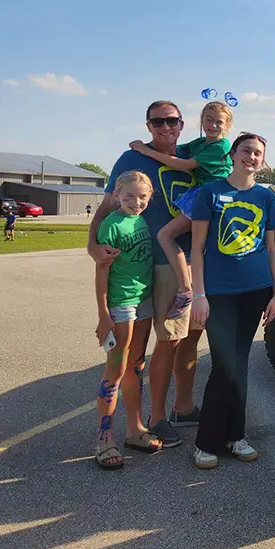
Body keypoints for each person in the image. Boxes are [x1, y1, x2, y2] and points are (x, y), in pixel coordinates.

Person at [88, 101, 200, 448]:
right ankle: (145, 422)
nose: (166, 127)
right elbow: (106, 207)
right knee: (130, 358)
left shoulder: (191, 158)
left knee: (176, 340)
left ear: (182, 124)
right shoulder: (131, 159)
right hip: (142, 271)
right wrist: (92, 245)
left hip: (182, 264)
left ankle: (164, 414)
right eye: (158, 121)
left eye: (172, 121)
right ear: (148, 125)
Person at [189, 133, 275, 469]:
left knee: (239, 364)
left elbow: (271, 248)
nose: (251, 157)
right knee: (224, 363)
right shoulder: (211, 193)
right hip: (219, 293)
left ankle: (235, 435)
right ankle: (206, 442)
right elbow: (197, 248)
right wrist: (199, 294)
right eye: (246, 151)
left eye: (257, 153)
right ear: (232, 154)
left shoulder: (266, 197)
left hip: (256, 290)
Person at [130, 101, 233, 319]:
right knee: (197, 245)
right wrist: (152, 144)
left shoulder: (221, 146)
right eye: (209, 120)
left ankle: (186, 290)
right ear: (201, 121)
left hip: (211, 198)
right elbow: (179, 149)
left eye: (219, 122)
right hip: (203, 195)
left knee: (166, 235)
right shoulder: (201, 143)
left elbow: (182, 164)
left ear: (227, 126)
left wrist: (145, 151)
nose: (213, 125)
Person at [92, 171, 162, 468]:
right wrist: (103, 314)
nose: (136, 202)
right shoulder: (111, 225)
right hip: (121, 305)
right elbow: (101, 271)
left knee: (136, 366)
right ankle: (104, 439)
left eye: (142, 197)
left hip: (144, 301)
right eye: (129, 196)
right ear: (117, 195)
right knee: (116, 369)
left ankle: (135, 429)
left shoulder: (141, 220)